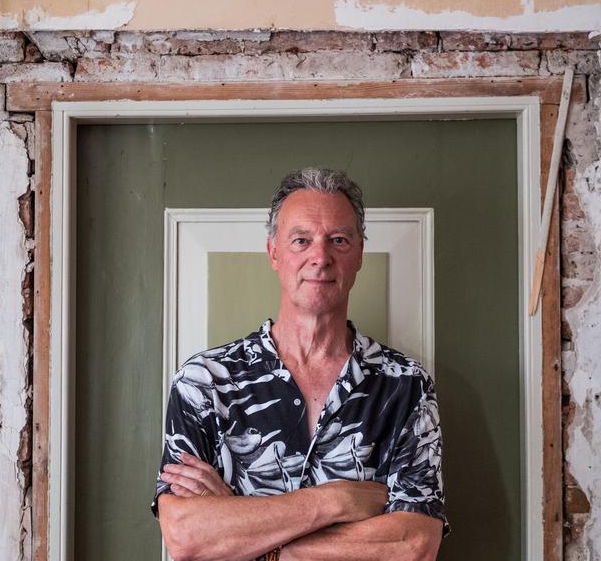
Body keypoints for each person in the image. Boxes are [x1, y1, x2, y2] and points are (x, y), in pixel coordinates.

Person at [152, 168, 448, 560]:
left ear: (359, 253)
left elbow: (413, 545)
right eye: (301, 240)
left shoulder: (405, 384)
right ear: (274, 252)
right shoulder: (205, 382)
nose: (320, 257)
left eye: (338, 240)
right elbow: (186, 536)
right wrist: (336, 501)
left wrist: (252, 536)